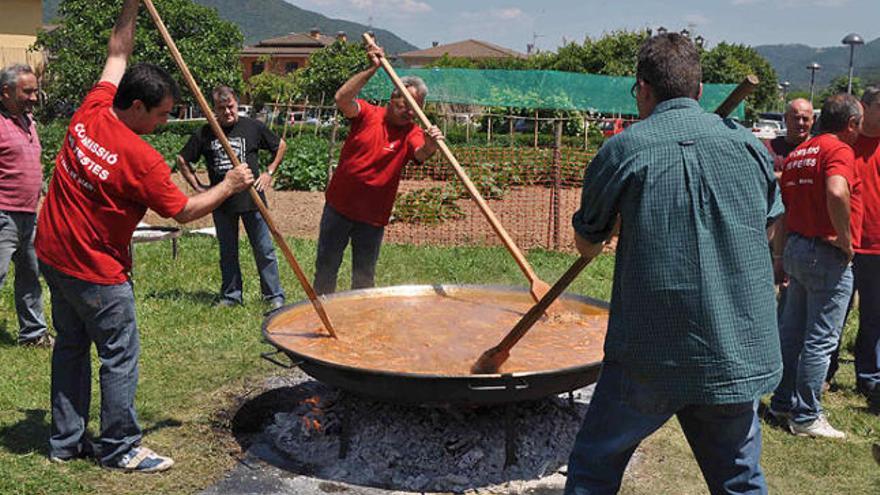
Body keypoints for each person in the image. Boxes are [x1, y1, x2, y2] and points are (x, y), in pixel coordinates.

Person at [35, 0, 254, 472]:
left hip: (53, 255)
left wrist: (131, 6)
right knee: (119, 355)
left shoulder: (92, 109)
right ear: (136, 106)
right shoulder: (142, 159)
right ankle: (120, 447)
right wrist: (230, 184)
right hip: (96, 272)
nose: (164, 124)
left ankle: (65, 442)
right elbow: (185, 210)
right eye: (160, 115)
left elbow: (118, 52)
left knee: (71, 348)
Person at [565, 33, 782, 494]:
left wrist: (624, 225)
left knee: (593, 470)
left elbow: (587, 246)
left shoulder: (623, 150)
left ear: (643, 89)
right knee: (739, 480)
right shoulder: (749, 149)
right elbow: (766, 230)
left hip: (650, 353)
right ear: (700, 91)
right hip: (731, 346)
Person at [313, 40, 443, 295]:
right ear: (393, 99)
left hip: (372, 218)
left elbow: (422, 153)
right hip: (339, 208)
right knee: (326, 267)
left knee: (364, 277)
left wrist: (431, 143)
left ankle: (360, 323)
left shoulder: (412, 133)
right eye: (407, 106)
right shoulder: (367, 115)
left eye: (416, 109)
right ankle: (320, 315)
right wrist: (372, 68)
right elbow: (342, 98)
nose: (410, 114)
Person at [768, 93, 863, 439]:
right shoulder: (839, 150)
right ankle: (807, 415)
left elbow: (784, 208)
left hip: (796, 247)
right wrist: (845, 239)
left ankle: (781, 401)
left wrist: (782, 253)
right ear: (851, 124)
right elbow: (837, 192)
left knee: (792, 334)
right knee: (820, 340)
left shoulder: (800, 155)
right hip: (825, 253)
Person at [178, 86, 286, 308]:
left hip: (253, 200)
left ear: (237, 104)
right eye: (221, 108)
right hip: (222, 203)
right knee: (228, 251)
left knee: (264, 249)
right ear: (214, 109)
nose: (227, 112)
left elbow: (280, 145)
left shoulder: (252, 127)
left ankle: (273, 295)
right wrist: (199, 187)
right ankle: (231, 296)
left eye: (231, 107)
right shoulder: (206, 133)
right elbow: (182, 159)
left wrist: (269, 173)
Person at [0, 63, 51, 347]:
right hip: (2, 214)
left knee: (31, 276)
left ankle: (33, 334)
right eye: (27, 91)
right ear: (5, 92)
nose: (34, 97)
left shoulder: (28, 122)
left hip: (29, 215)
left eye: (35, 90)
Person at [849, 86, 880, 410]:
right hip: (845, 243)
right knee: (834, 316)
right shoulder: (848, 143)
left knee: (874, 315)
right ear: (865, 107)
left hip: (877, 245)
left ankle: (869, 375)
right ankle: (824, 372)